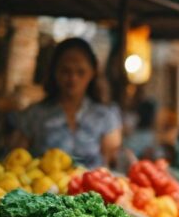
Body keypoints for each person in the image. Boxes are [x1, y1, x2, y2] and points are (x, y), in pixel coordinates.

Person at [10, 38, 121, 168]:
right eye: (65, 71)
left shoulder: (105, 116)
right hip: (43, 186)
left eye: (80, 72)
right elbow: (15, 161)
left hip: (93, 186)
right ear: (54, 72)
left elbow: (112, 162)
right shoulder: (34, 115)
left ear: (93, 72)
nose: (72, 78)